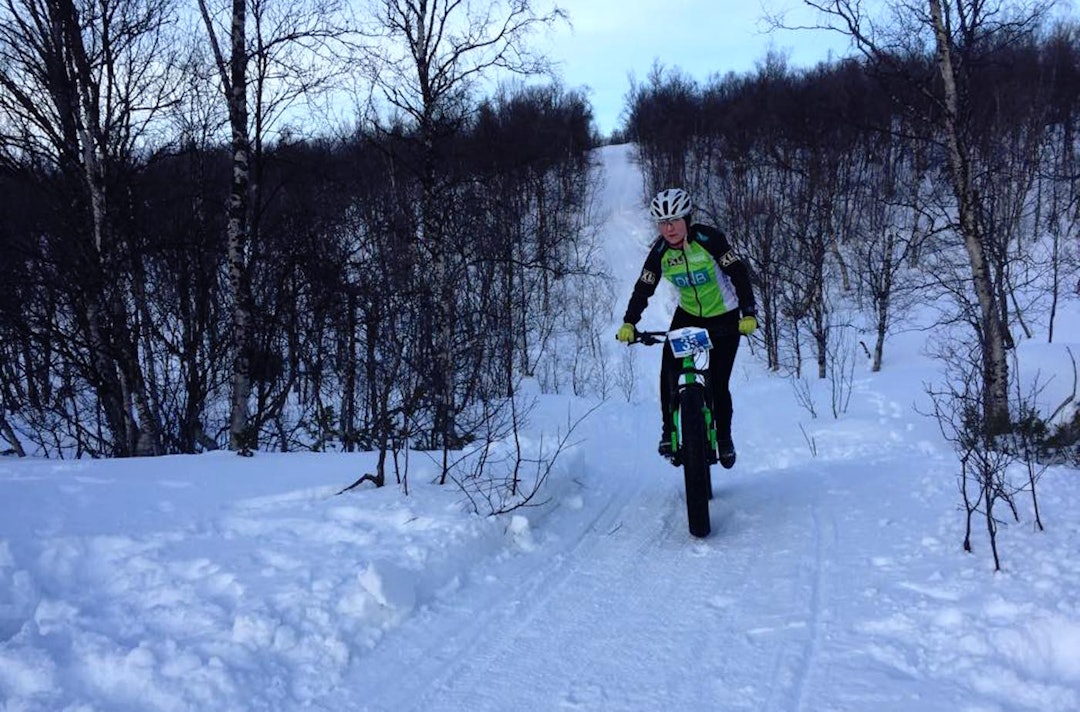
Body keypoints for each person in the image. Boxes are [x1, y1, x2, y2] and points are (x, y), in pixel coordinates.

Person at [615, 187, 758, 469]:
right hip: (689, 315)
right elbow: (644, 287)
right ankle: (669, 432)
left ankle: (725, 438)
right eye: (662, 222)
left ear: (686, 219)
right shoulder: (659, 252)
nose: (668, 228)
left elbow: (739, 273)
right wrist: (630, 321)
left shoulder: (709, 239)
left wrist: (748, 312)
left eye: (674, 220)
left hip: (725, 315)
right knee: (669, 366)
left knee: (718, 383)